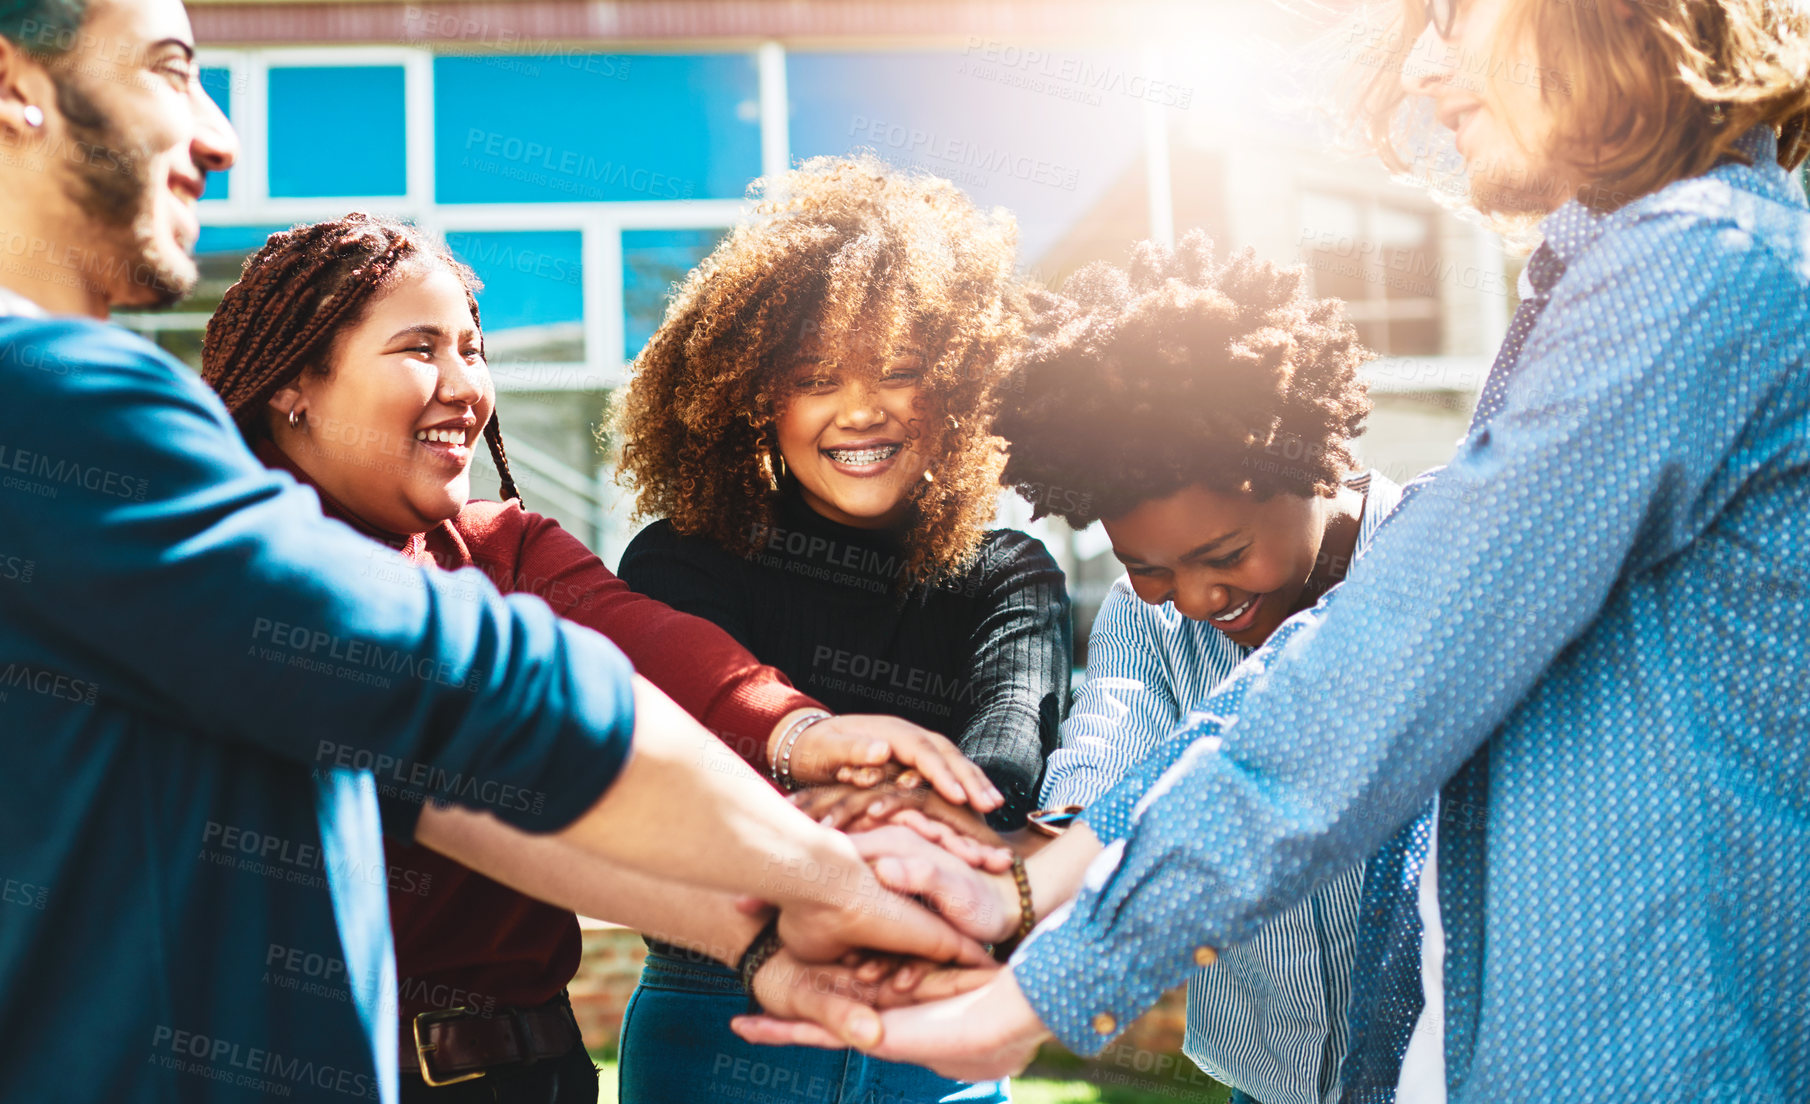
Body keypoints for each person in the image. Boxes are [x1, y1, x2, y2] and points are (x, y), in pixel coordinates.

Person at [734, 0, 1810, 1098]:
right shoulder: (1634, 283)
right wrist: (1027, 887)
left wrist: (1039, 990)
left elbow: (1387, 666)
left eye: (1452, 11)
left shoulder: (1695, 276)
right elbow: (1306, 671)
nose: (1423, 67)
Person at [0, 3, 988, 1099]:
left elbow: (442, 794)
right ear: (14, 84)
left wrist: (762, 928)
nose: (220, 136)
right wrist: (832, 876)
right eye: (172, 71)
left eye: (472, 347)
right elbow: (478, 693)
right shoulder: (55, 406)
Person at [195, 212, 1006, 1101]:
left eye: (474, 348)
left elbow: (649, 653)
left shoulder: (504, 549)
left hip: (528, 1075)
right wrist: (809, 889)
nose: (465, 384)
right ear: (293, 387)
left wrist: (803, 735)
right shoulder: (224, 573)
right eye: (421, 348)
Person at [611, 155, 1072, 1104]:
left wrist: (887, 813)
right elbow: (690, 771)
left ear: (956, 386)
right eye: (818, 377)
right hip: (723, 1005)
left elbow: (1010, 752)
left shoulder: (1007, 570)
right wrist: (910, 810)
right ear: (754, 394)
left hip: (936, 1005)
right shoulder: (681, 562)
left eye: (900, 371)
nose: (862, 409)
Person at [995, 232, 1404, 1104]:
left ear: (1301, 464)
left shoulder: (1425, 567)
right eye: (1150, 568)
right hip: (1266, 1070)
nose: (1191, 598)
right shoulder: (1147, 623)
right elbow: (1113, 733)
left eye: (1224, 554)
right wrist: (1053, 847)